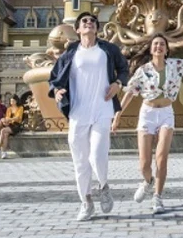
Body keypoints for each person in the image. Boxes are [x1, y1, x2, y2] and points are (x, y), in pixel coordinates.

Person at [111, 34, 183, 214]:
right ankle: (148, 182)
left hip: (166, 113)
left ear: (167, 49)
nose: (158, 47)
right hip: (147, 113)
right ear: (151, 49)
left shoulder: (175, 65)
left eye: (162, 44)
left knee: (161, 157)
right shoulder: (143, 70)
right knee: (144, 164)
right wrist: (117, 116)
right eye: (155, 44)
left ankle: (157, 196)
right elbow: (130, 93)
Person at [48, 12, 129, 221]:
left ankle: (103, 186)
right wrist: (57, 91)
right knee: (80, 162)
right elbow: (54, 78)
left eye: (92, 21)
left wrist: (118, 83)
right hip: (77, 113)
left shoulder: (108, 49)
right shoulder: (70, 52)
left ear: (97, 28)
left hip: (103, 110)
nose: (89, 23)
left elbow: (124, 69)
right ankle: (86, 202)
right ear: (77, 29)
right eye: (84, 21)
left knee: (97, 155)